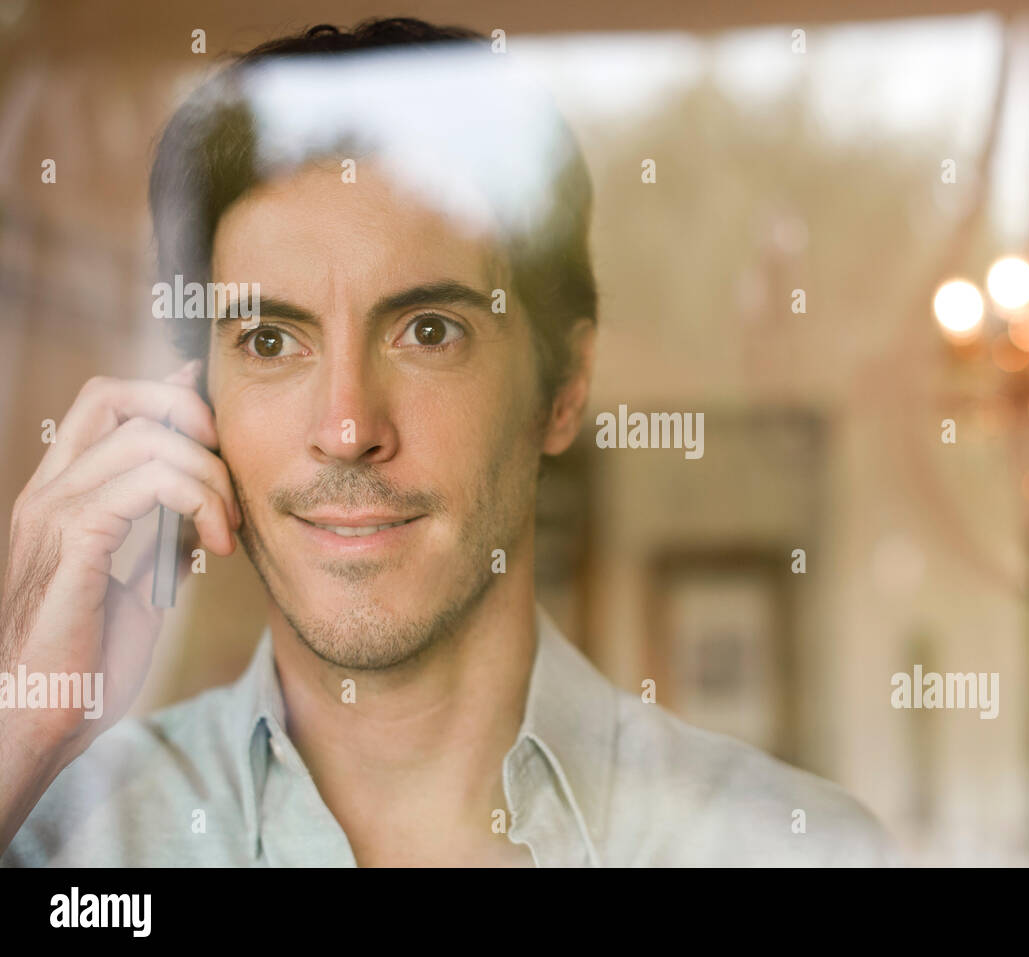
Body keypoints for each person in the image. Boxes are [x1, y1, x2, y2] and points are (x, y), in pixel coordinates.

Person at [0, 17, 895, 866]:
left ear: (563, 387)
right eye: (271, 341)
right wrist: (21, 726)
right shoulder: (57, 838)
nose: (348, 429)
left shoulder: (792, 850)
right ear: (199, 406)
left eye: (428, 331)